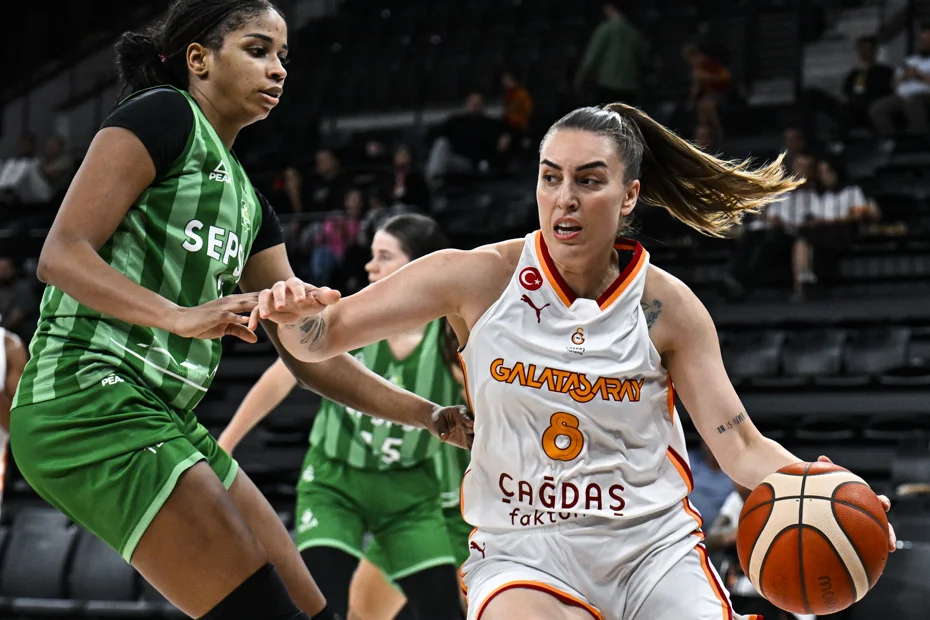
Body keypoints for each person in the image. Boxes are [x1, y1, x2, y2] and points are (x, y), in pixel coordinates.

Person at [254, 102, 897, 620]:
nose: (564, 197)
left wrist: (835, 493)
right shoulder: (476, 279)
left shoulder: (668, 308)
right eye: (550, 177)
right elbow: (318, 339)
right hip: (524, 549)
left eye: (588, 180)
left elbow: (741, 446)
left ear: (628, 196)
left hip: (652, 551)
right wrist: (290, 308)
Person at [7, 2, 470, 619]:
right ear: (199, 59)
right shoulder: (164, 114)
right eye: (258, 50)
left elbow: (309, 352)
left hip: (164, 412)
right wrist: (177, 315)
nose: (278, 69)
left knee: (313, 611)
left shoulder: (251, 205)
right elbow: (61, 253)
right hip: (86, 396)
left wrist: (429, 415)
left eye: (283, 56)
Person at [219, 214, 468, 620]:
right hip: (337, 479)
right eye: (372, 255)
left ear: (418, 267)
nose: (369, 266)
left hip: (411, 490)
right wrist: (227, 443)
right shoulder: (350, 320)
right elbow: (281, 377)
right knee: (326, 600)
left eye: (384, 256)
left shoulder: (450, 339)